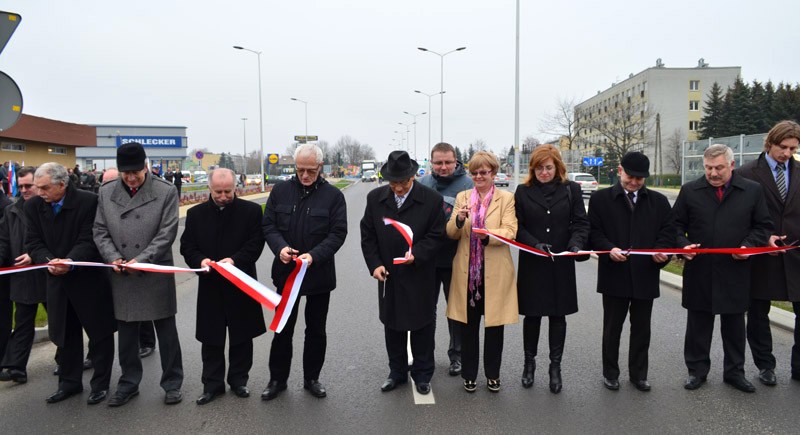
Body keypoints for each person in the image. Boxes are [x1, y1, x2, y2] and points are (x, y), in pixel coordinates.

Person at [674, 144, 772, 393]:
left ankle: (735, 373)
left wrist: (748, 246)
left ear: (732, 165)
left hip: (735, 271)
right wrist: (684, 245)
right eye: (708, 168)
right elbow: (673, 226)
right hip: (700, 270)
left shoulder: (752, 191)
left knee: (735, 326)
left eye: (719, 168)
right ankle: (696, 371)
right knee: (697, 326)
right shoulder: (690, 191)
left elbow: (763, 226)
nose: (713, 173)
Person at [93, 142, 184, 406]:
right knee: (127, 334)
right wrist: (114, 258)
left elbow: (167, 232)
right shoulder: (106, 192)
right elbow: (99, 231)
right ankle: (128, 383)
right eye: (126, 173)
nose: (132, 178)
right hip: (122, 272)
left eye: (136, 171)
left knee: (166, 333)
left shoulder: (165, 191)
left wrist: (140, 260)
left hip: (153, 271)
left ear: (146, 166)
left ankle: (172, 383)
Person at [25, 163, 116, 404]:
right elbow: (32, 241)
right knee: (65, 335)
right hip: (56, 280)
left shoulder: (88, 202)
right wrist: (49, 261)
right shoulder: (33, 206)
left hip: (88, 280)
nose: (39, 192)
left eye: (44, 187)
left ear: (62, 184)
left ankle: (100, 383)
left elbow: (91, 238)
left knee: (99, 334)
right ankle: (69, 383)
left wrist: (71, 261)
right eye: (37, 187)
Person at [261, 144, 347, 401]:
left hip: (318, 275)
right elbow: (269, 225)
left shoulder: (333, 196)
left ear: (320, 168)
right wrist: (280, 248)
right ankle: (277, 379)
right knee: (282, 328)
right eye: (300, 170)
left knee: (316, 330)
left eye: (311, 170)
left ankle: (312, 378)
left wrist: (315, 256)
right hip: (287, 273)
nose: (305, 175)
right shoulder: (281, 191)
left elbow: (338, 233)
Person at [588, 152, 675, 392]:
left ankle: (639, 375)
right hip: (614, 274)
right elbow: (594, 232)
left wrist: (661, 251)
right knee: (612, 328)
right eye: (630, 176)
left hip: (645, 274)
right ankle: (611, 373)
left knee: (642, 329)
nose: (634, 182)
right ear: (619, 171)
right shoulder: (601, 199)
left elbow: (667, 232)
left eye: (640, 178)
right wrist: (609, 249)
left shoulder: (657, 201)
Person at [360, 150, 444, 395]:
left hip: (419, 273)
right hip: (389, 274)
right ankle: (396, 372)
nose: (397, 188)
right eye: (393, 182)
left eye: (403, 182)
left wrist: (417, 254)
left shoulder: (431, 199)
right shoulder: (375, 198)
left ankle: (422, 373)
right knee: (392, 325)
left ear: (413, 177)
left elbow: (437, 235)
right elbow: (368, 235)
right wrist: (374, 264)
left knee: (422, 325)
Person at [181, 168, 266, 405]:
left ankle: (239, 380)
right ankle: (212, 385)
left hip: (241, 281)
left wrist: (235, 260)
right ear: (209, 188)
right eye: (218, 191)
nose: (223, 196)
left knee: (242, 335)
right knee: (211, 338)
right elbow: (187, 246)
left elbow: (256, 243)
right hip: (211, 284)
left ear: (235, 187)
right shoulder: (196, 214)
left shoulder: (250, 212)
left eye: (228, 191)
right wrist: (200, 261)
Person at [514, 144, 589, 393]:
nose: (543, 173)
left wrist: (576, 244)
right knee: (532, 316)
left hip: (561, 262)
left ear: (557, 167)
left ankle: (555, 367)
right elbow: (518, 227)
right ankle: (529, 364)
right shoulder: (523, 192)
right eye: (538, 168)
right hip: (534, 262)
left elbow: (580, 223)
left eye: (548, 168)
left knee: (558, 316)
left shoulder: (571, 190)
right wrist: (534, 244)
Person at [447, 151, 518, 393]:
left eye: (484, 172)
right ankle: (469, 374)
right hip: (467, 272)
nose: (479, 176)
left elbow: (511, 230)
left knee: (494, 326)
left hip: (495, 270)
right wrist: (458, 219)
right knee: (468, 326)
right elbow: (451, 233)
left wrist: (489, 236)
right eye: (474, 172)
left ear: (493, 174)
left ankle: (493, 375)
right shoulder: (463, 196)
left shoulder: (506, 198)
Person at [737, 120, 800, 384]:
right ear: (770, 143)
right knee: (758, 313)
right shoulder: (747, 173)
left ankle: (799, 368)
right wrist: (762, 239)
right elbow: (738, 218)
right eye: (783, 147)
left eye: (793, 148)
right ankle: (765, 366)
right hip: (762, 256)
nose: (787, 153)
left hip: (796, 256)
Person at [417, 142, 473, 376]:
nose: (443, 167)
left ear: (456, 161)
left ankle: (456, 356)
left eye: (448, 162)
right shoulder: (423, 183)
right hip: (427, 260)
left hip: (455, 259)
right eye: (438, 162)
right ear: (431, 163)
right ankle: (424, 356)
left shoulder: (467, 185)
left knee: (456, 311)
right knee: (424, 311)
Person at [0, 167, 46, 384]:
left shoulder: (49, 207)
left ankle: (67, 359)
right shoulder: (11, 211)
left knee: (60, 322)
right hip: (22, 277)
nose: (25, 190)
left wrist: (35, 255)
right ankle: (17, 367)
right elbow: (4, 242)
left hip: (48, 275)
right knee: (23, 323)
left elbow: (59, 239)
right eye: (22, 186)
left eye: (29, 186)